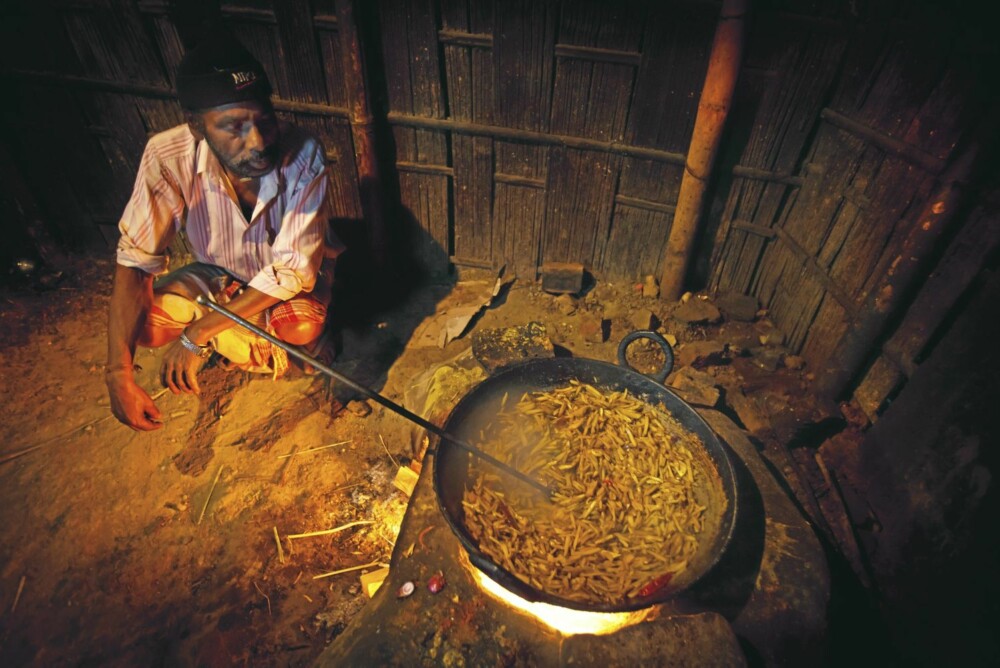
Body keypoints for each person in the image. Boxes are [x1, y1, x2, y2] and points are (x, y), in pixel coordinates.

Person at [105, 26, 340, 431]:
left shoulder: (304, 152)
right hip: (217, 274)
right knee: (145, 324)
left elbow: (292, 270)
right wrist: (117, 375)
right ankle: (239, 331)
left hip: (284, 279)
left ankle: (250, 335)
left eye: (265, 120)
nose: (258, 142)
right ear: (197, 127)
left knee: (300, 325)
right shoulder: (167, 156)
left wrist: (198, 333)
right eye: (233, 128)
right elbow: (135, 262)